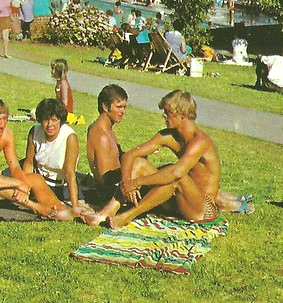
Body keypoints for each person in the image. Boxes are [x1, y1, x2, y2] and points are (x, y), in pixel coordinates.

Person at [85, 91, 222, 228]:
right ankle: (106, 213)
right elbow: (130, 155)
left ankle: (126, 217)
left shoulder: (200, 141)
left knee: (173, 174)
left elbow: (176, 173)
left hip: (203, 209)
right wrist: (127, 182)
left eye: (167, 112)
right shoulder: (168, 136)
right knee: (140, 163)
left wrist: (136, 182)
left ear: (182, 114)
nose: (164, 115)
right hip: (178, 201)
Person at [0, 96, 77, 220]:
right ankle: (35, 207)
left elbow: (15, 167)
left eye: (4, 119)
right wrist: (18, 184)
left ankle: (61, 210)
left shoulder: (6, 135)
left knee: (35, 178)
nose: (2, 125)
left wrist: (23, 186)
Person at [21, 98, 86, 210]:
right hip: (39, 178)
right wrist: (24, 188)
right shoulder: (35, 132)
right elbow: (29, 163)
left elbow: (69, 172)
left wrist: (75, 206)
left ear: (60, 120)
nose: (50, 125)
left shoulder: (70, 137)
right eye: (46, 120)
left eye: (54, 120)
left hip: (60, 185)